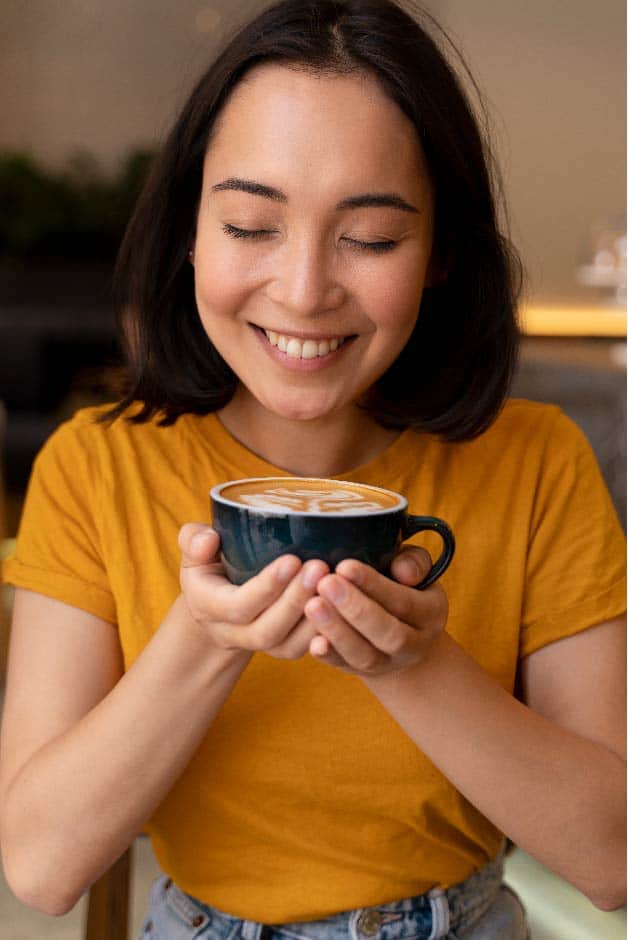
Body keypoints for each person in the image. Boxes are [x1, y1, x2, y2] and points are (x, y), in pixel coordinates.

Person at [1, 1, 625, 937]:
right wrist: (205, 639)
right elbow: (41, 869)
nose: (303, 291)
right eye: (252, 225)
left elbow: (611, 859)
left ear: (441, 251)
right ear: (189, 233)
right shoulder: (96, 468)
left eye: (369, 239)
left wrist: (414, 664)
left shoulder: (534, 463)